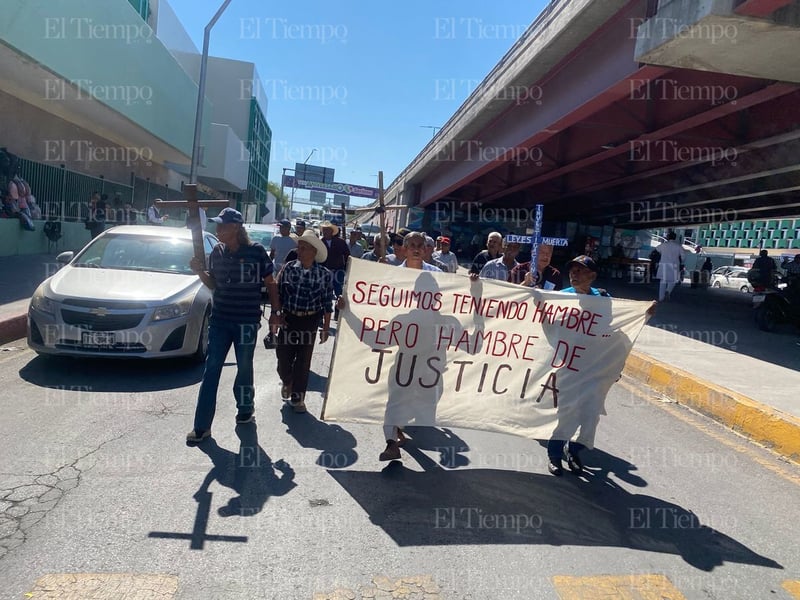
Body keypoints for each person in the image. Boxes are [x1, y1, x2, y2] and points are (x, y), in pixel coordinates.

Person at [186, 207, 280, 444]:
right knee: (211, 371)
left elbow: (271, 283)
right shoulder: (217, 252)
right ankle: (202, 426)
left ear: (236, 228)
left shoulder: (256, 252)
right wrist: (199, 272)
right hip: (220, 320)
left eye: (223, 225)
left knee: (244, 367)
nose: (218, 229)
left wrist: (276, 314)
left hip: (247, 321)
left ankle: (245, 409)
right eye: (217, 225)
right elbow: (213, 284)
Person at [381, 231, 442, 461]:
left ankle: (398, 428)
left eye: (421, 245)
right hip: (401, 342)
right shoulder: (392, 274)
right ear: (404, 248)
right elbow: (377, 304)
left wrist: (473, 286)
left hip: (429, 347)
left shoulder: (437, 275)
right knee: (396, 391)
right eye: (412, 244)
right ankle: (390, 443)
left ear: (426, 249)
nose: (416, 248)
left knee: (419, 395)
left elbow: (453, 302)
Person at [271, 230, 335, 414]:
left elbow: (327, 302)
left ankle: (298, 399)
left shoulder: (324, 274)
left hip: (310, 320)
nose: (299, 251)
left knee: (303, 362)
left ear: (313, 252)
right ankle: (287, 380)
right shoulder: (288, 268)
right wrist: (276, 315)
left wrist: (325, 327)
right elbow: (278, 293)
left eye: (303, 248)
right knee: (283, 357)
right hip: (288, 319)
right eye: (299, 247)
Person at [320, 220, 350, 301]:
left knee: (339, 293)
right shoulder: (320, 243)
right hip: (324, 272)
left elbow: (347, 255)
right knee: (324, 293)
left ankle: (338, 312)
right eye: (324, 230)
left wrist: (347, 268)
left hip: (338, 270)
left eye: (327, 230)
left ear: (332, 231)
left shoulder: (340, 242)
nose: (325, 232)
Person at [654, 232, 684, 301]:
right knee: (673, 280)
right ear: (675, 238)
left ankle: (661, 298)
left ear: (667, 237)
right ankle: (668, 290)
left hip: (664, 264)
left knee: (663, 281)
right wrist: (681, 261)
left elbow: (657, 250)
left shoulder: (663, 245)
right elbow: (683, 256)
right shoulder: (678, 246)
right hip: (674, 264)